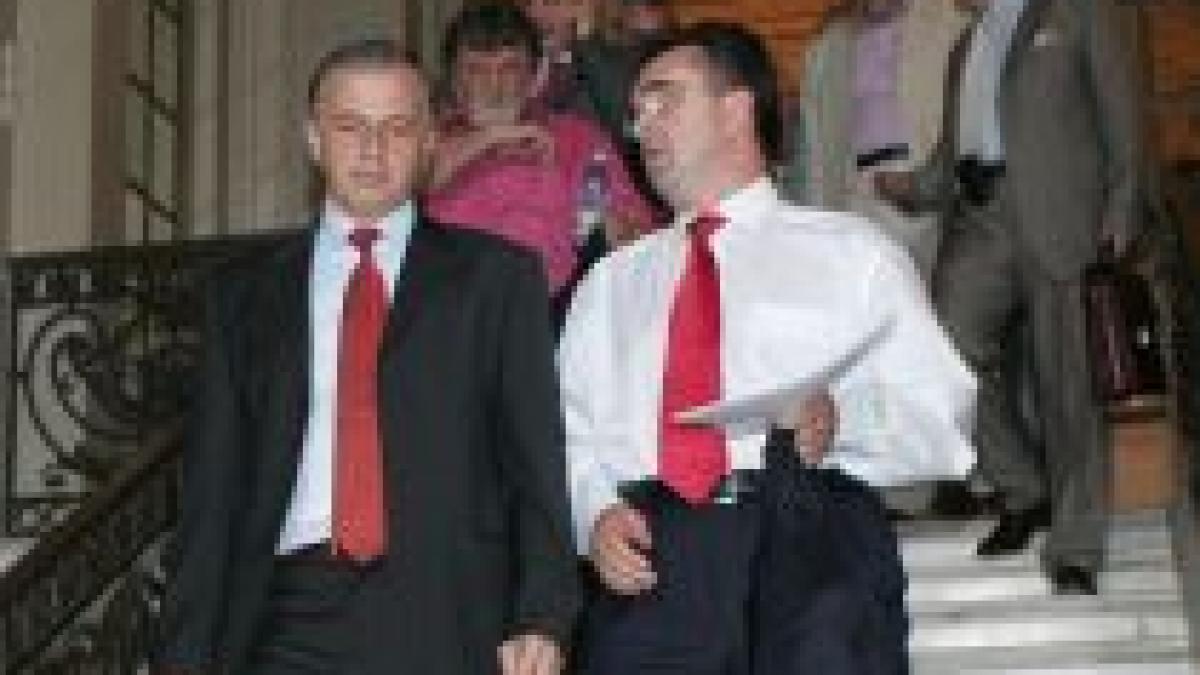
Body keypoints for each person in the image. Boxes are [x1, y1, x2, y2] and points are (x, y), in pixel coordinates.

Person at [559, 23, 976, 673]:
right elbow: (569, 433)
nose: (641, 126)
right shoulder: (609, 285)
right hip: (650, 560)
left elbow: (944, 419)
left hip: (813, 531)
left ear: (736, 110)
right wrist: (594, 514)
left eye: (664, 98)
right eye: (636, 111)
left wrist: (843, 420)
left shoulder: (853, 255)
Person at [153, 38, 579, 674]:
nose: (373, 150)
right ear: (314, 138)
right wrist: (184, 649)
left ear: (430, 140)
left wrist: (543, 614)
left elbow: (534, 460)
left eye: (397, 128)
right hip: (285, 614)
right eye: (350, 126)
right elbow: (214, 485)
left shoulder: (498, 279)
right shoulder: (243, 294)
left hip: (447, 609)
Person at [876, 0, 1142, 594]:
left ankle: (1076, 545)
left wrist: (1124, 205)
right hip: (981, 218)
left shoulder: (1077, 15)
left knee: (1070, 382)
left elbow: (1123, 113)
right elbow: (951, 156)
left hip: (1062, 217)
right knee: (946, 351)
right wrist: (909, 188)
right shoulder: (964, 47)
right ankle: (1024, 488)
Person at [425, 2, 655, 325]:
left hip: (555, 313)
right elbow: (413, 183)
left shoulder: (577, 139)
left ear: (535, 78)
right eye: (476, 71)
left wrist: (610, 225)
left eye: (509, 69)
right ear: (453, 81)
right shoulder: (427, 138)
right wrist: (494, 135)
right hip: (448, 311)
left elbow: (636, 232)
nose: (494, 86)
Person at [786, 0, 966, 279]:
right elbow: (815, 144)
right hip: (853, 189)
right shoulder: (831, 41)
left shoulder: (951, 20)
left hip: (919, 185)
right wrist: (814, 221)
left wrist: (922, 184)